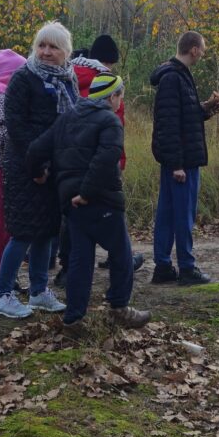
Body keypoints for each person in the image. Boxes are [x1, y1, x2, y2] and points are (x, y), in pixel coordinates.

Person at [27, 72, 151, 338]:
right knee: (121, 254)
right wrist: (86, 192)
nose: (121, 102)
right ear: (113, 96)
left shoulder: (67, 118)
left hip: (70, 203)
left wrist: (40, 173)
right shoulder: (110, 120)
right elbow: (107, 158)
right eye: (121, 96)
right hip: (100, 199)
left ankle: (74, 320)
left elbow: (36, 149)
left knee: (81, 259)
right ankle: (119, 308)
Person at [0, 22, 78, 319]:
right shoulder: (23, 79)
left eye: (53, 47)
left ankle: (39, 291)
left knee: (48, 231)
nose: (46, 52)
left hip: (56, 166)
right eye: (42, 45)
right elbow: (17, 129)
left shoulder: (68, 79)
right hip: (26, 167)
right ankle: (3, 294)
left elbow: (71, 122)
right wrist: (38, 164)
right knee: (24, 232)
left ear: (65, 51)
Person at [150, 31, 219, 286]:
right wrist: (177, 165)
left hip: (179, 159)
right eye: (202, 49)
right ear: (193, 49)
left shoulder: (179, 76)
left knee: (169, 213)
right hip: (181, 162)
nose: (203, 53)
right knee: (182, 215)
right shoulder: (173, 78)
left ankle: (163, 267)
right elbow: (168, 124)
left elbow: (184, 117)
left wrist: (205, 109)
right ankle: (186, 268)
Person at [66, 33, 143, 281]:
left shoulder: (70, 74)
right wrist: (119, 160)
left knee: (72, 213)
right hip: (102, 157)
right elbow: (115, 124)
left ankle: (66, 267)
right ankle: (120, 257)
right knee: (112, 208)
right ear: (107, 60)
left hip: (72, 158)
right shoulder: (107, 83)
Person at [0, 50, 27, 298]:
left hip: (0, 168)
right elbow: (6, 139)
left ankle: (5, 278)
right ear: (11, 77)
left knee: (6, 230)